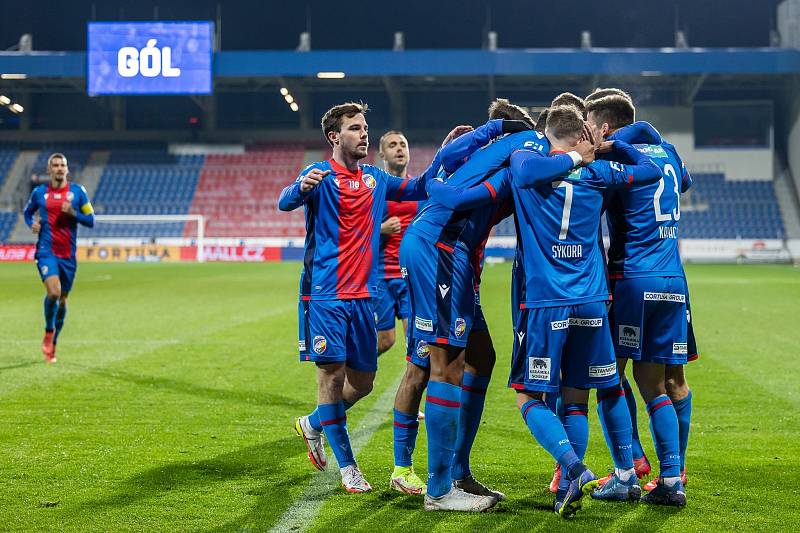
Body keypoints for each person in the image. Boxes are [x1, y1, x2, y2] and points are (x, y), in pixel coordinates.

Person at [429, 104, 662, 516]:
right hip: (592, 301)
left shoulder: (527, 168)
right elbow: (649, 170)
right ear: (581, 137)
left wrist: (433, 186)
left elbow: (512, 176)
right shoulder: (599, 173)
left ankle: (572, 467)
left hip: (545, 302)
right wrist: (609, 148)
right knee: (578, 395)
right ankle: (598, 477)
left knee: (528, 395)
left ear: (547, 134)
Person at [278, 102, 444, 493]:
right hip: (325, 296)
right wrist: (299, 188)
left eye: (365, 127)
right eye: (355, 128)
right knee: (331, 379)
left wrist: (450, 153)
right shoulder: (318, 175)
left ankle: (314, 423)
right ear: (335, 137)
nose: (364, 133)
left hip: (363, 297)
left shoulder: (375, 178)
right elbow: (285, 201)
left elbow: (420, 187)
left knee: (364, 383)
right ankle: (349, 467)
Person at [586, 92, 694, 506]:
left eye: (592, 125)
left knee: (606, 376)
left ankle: (625, 472)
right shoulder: (664, 152)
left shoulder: (617, 159)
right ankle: (671, 480)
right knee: (654, 383)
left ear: (607, 128)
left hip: (632, 278)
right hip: (673, 279)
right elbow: (683, 182)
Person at [23, 153, 95, 363]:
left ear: (67, 169)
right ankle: (48, 331)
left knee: (62, 301)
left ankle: (53, 343)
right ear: (49, 170)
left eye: (62, 165)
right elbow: (28, 213)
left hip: (68, 256)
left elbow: (91, 220)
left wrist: (73, 213)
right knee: (53, 292)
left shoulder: (78, 192)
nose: (59, 168)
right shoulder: (39, 193)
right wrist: (31, 225)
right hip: (46, 251)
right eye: (55, 165)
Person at [375, 131, 419, 355]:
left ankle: (414, 389)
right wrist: (380, 229)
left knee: (417, 344)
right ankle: (344, 372)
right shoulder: (373, 190)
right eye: (392, 145)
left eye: (403, 144)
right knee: (385, 341)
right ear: (382, 153)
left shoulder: (418, 189)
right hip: (380, 276)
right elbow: (352, 230)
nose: (399, 149)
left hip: (410, 276)